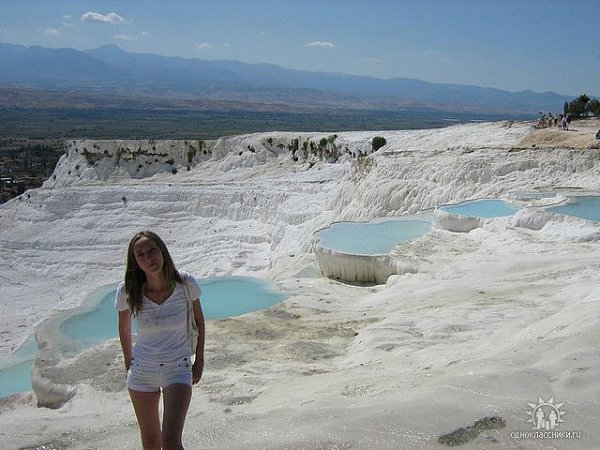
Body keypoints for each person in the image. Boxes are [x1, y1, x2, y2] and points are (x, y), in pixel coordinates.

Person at [115, 230, 205, 450]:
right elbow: (124, 328)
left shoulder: (185, 283)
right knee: (150, 442)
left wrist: (199, 360)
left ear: (162, 251)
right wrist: (129, 362)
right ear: (134, 261)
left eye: (152, 251)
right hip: (142, 371)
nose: (149, 259)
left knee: (171, 442)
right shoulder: (128, 290)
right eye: (141, 255)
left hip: (178, 368)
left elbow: (199, 322)